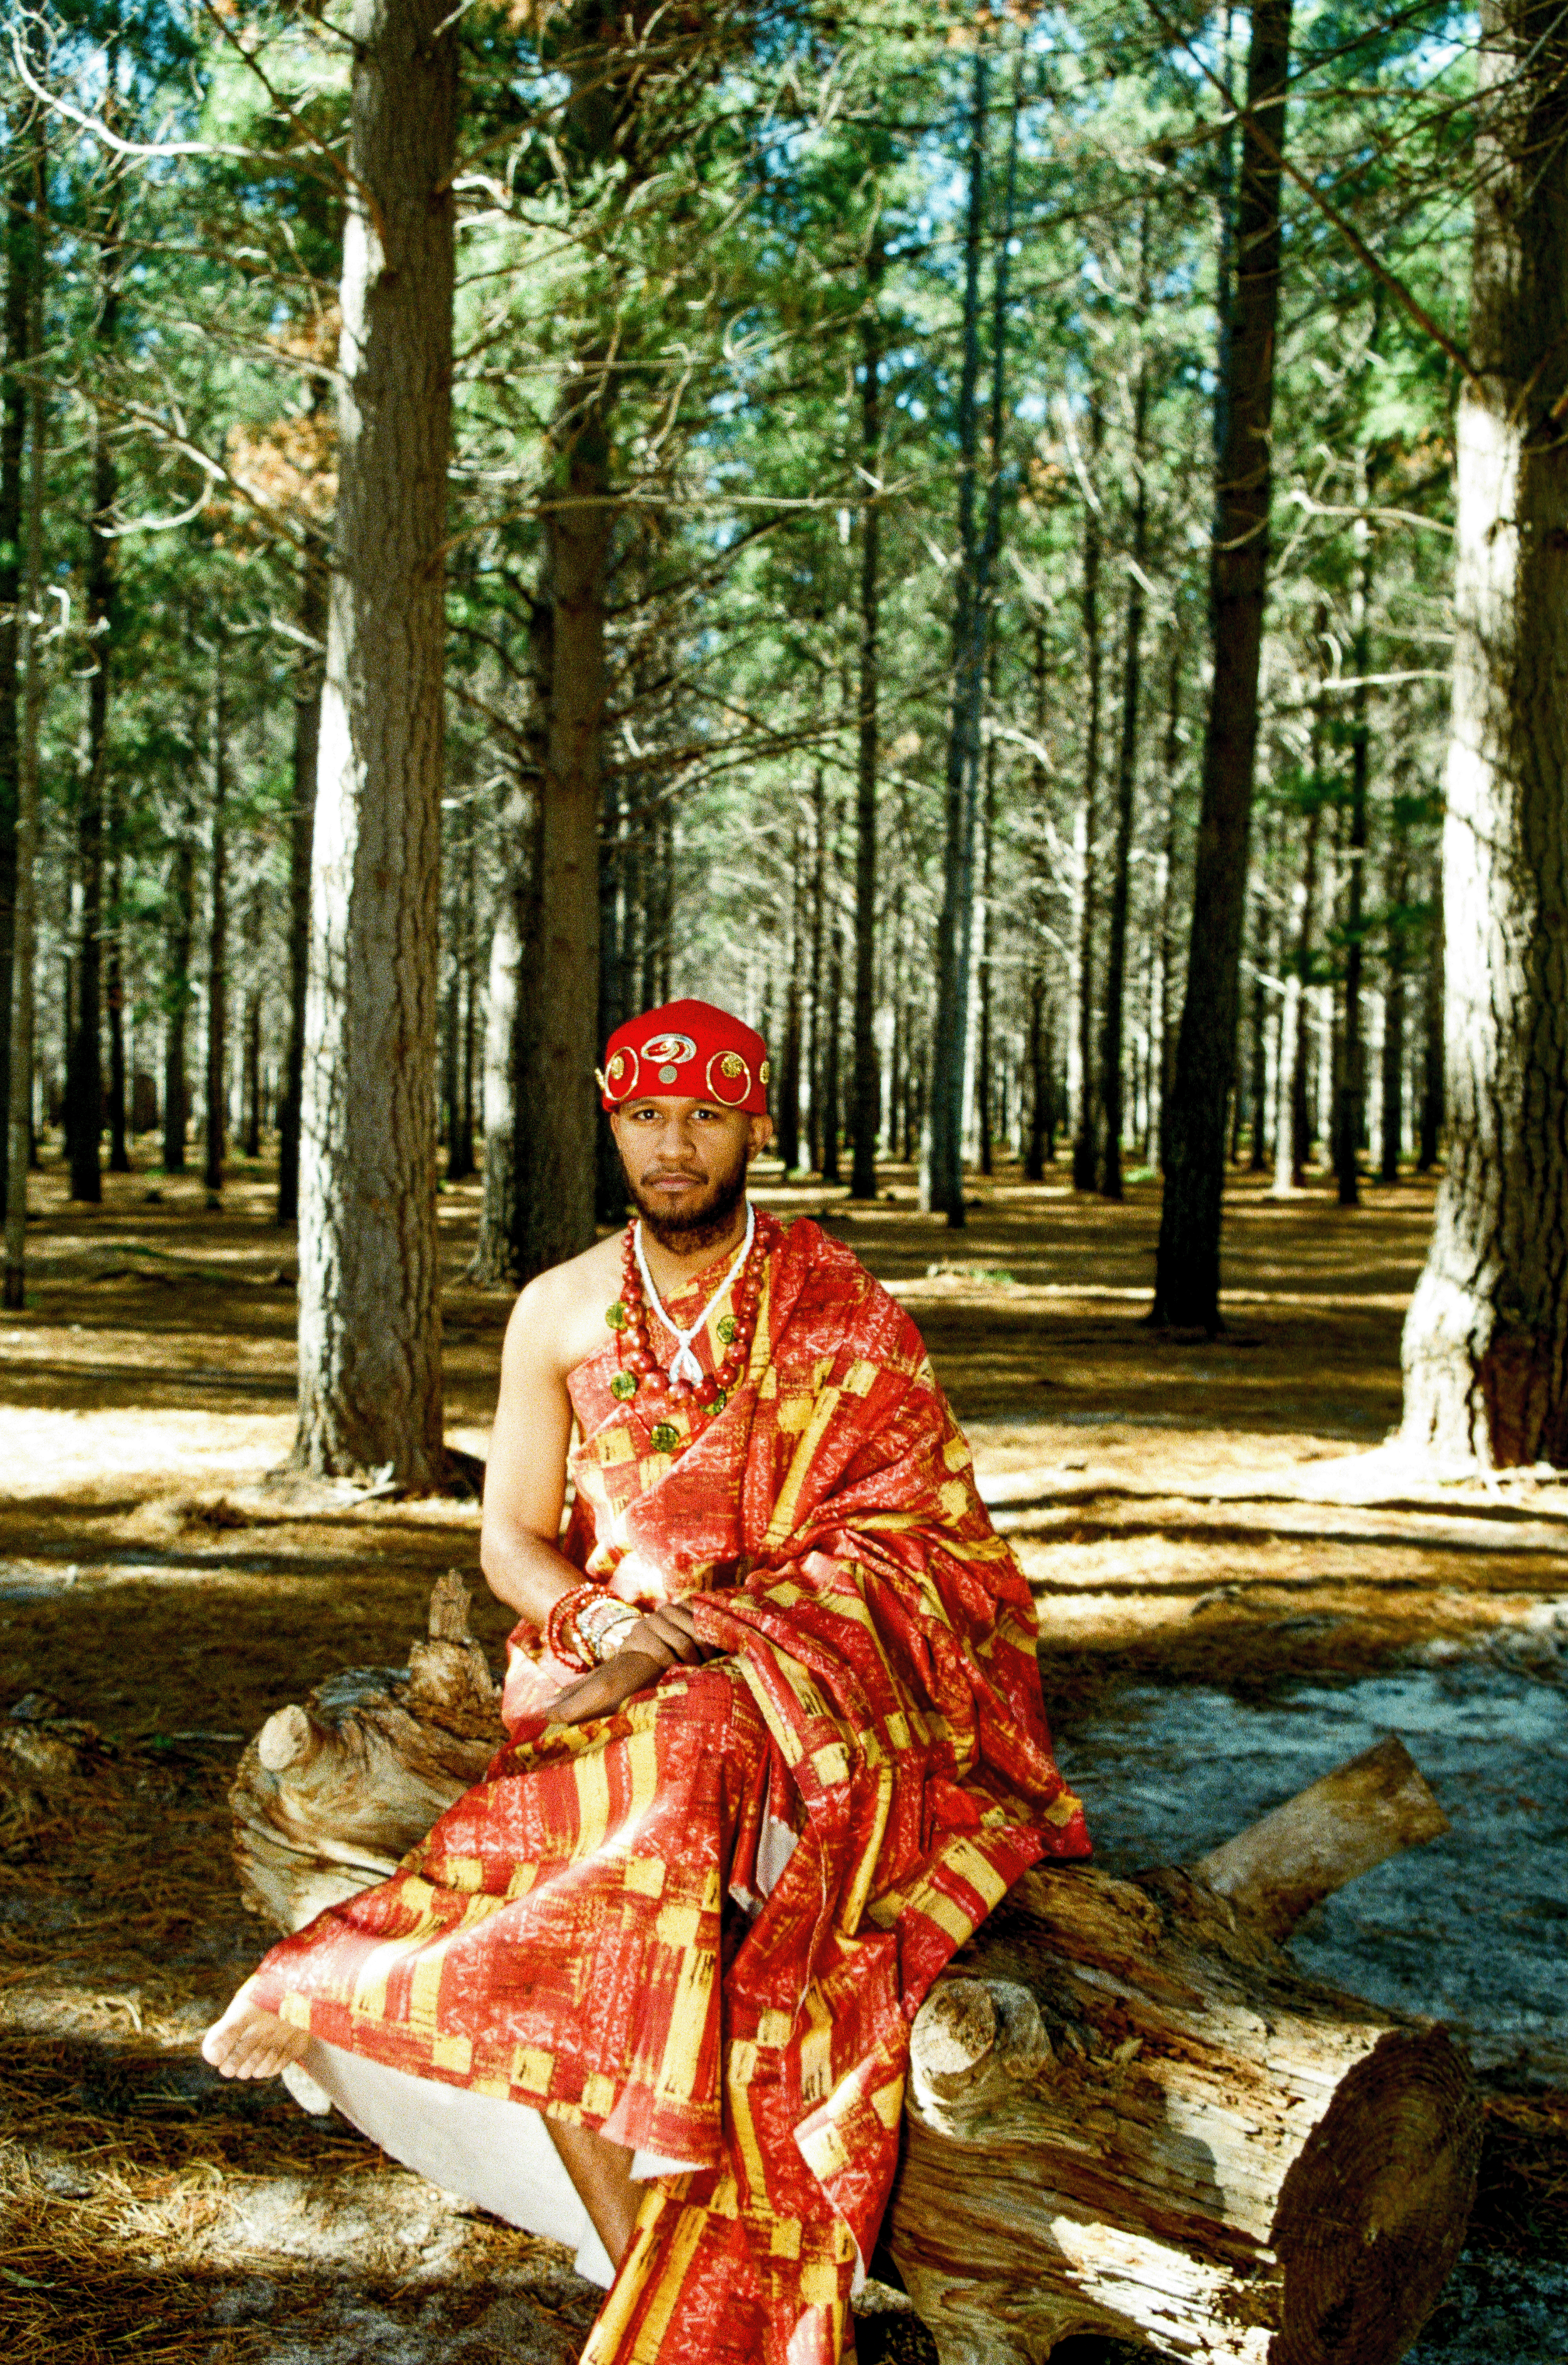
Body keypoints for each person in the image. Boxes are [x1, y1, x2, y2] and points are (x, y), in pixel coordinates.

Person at [203, 996, 1089, 2364]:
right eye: (644, 1115)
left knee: (686, 1742)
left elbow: (918, 1529)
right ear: (611, 1123)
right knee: (658, 1768)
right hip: (593, 1641)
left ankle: (346, 1977)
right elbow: (510, 1537)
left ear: (753, 1124)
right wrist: (602, 1628)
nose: (672, 1144)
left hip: (803, 1658)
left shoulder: (837, 1301)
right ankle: (677, 2301)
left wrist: (695, 1643)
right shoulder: (556, 1306)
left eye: (704, 1114)